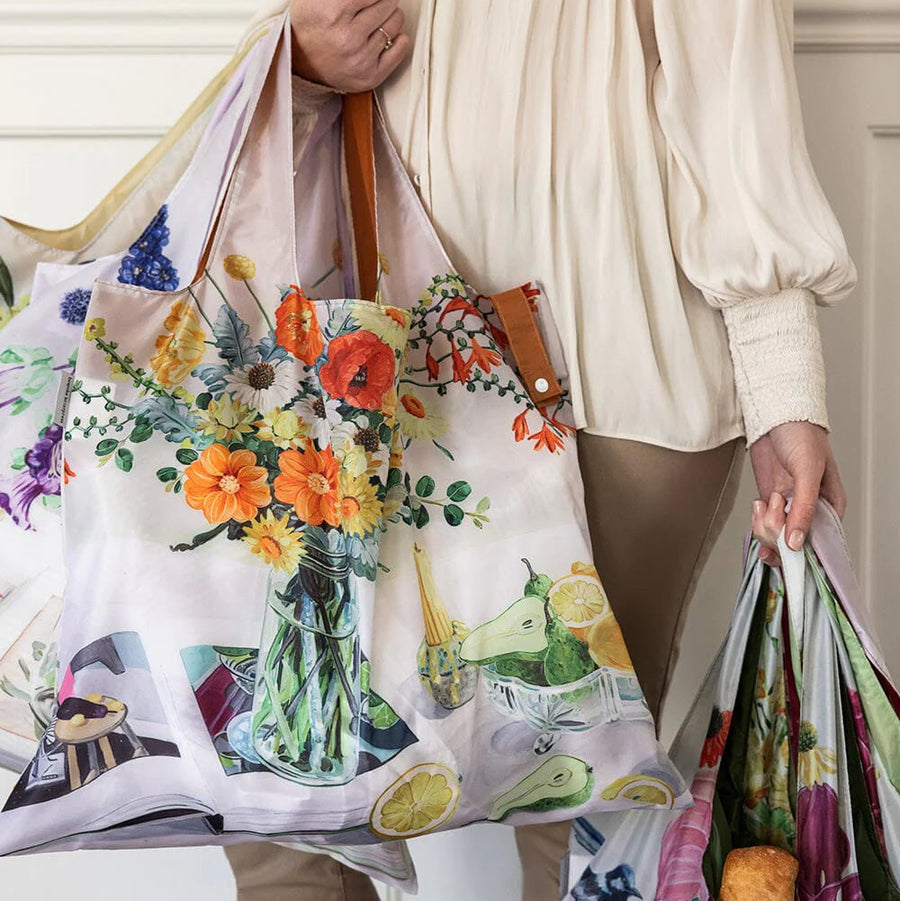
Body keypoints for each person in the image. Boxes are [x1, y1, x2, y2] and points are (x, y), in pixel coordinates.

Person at [225, 1, 855, 899]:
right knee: (282, 777)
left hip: (614, 351)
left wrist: (784, 381)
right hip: (368, 355)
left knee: (578, 816)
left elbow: (732, 87)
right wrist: (301, 57)